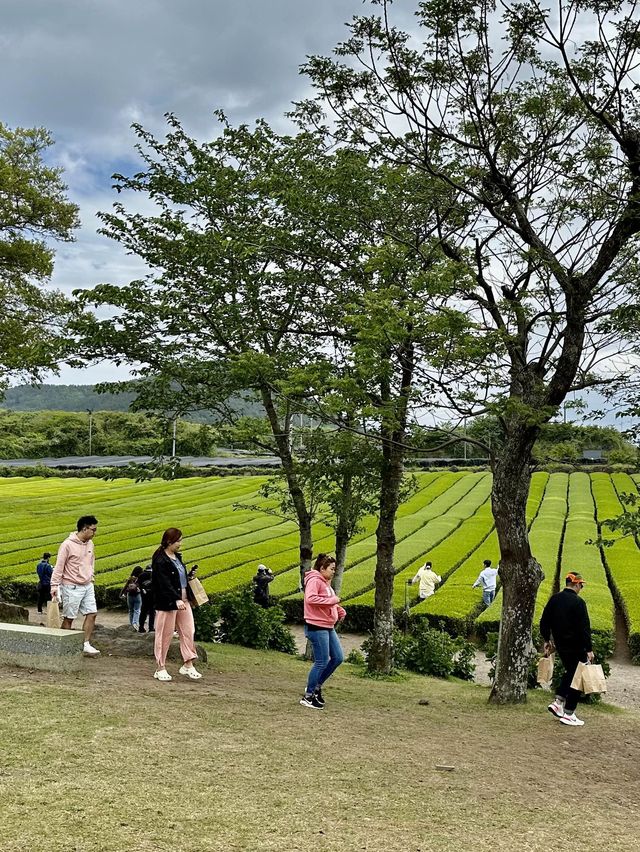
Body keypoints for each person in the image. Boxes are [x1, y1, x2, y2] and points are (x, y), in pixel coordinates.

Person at [540, 571, 594, 727]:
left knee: (570, 673)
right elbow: (584, 628)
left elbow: (544, 621)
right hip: (577, 646)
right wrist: (589, 649)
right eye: (581, 585)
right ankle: (569, 713)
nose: (581, 588)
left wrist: (546, 639)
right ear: (576, 584)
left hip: (561, 645)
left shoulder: (554, 599)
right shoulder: (578, 602)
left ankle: (558, 702)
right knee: (578, 677)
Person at [151, 527, 202, 682]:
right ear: (169, 541)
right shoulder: (160, 560)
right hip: (168, 602)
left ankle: (188, 664)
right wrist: (175, 599)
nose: (181, 543)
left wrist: (188, 577)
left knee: (188, 630)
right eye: (178, 540)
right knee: (164, 634)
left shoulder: (177, 557)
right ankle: (160, 667)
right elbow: (164, 583)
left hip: (183, 599)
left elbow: (177, 579)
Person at [300, 553, 346, 710]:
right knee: (321, 662)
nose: (334, 571)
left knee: (338, 657)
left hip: (327, 625)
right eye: (332, 568)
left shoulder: (326, 583)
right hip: (317, 626)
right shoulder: (314, 580)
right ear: (322, 568)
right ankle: (308, 696)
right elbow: (311, 599)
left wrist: (338, 610)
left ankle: (317, 687)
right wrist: (333, 601)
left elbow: (327, 601)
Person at [50, 515, 101, 657]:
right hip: (71, 585)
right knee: (69, 618)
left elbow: (91, 561)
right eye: (93, 530)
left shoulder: (90, 544)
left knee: (92, 613)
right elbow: (59, 566)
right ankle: (63, 646)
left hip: (87, 584)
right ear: (84, 528)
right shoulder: (67, 545)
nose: (94, 533)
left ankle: (85, 644)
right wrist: (54, 586)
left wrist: (91, 575)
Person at [121, 566, 143, 631]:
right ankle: (135, 623)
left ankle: (131, 624)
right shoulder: (140, 578)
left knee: (131, 610)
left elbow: (125, 587)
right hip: (137, 595)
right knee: (137, 610)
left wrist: (121, 594)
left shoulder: (130, 578)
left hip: (129, 595)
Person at [137, 563, 155, 633]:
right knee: (152, 612)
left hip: (144, 596)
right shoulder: (154, 575)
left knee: (143, 612)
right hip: (152, 596)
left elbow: (139, 585)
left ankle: (141, 627)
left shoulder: (141, 575)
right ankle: (151, 627)